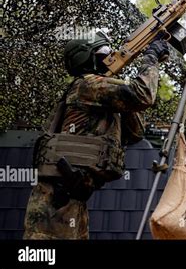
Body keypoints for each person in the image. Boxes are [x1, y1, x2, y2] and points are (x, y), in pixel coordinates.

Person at [23, 31, 169, 239]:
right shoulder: (88, 85)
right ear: (87, 57)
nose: (110, 57)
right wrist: (150, 58)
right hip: (56, 199)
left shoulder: (100, 91)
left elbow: (136, 132)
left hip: (73, 196)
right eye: (104, 53)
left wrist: (122, 93)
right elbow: (143, 95)